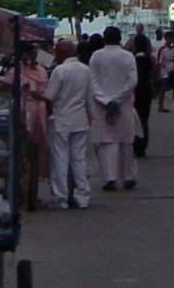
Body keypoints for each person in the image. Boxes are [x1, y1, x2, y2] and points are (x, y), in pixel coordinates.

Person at [42, 39, 92, 209]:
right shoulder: (86, 70)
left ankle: (61, 197)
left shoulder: (60, 71)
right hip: (80, 119)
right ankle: (82, 195)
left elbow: (49, 97)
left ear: (63, 52)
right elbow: (89, 97)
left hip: (61, 119)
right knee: (79, 159)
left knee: (60, 160)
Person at [88, 24, 139, 190]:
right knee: (125, 142)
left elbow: (92, 82)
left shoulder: (96, 56)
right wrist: (118, 99)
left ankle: (110, 179)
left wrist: (106, 100)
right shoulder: (128, 56)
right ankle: (128, 177)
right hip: (123, 105)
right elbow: (132, 81)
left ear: (105, 38)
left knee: (105, 143)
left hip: (102, 106)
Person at [16, 43, 50, 210]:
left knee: (38, 150)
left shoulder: (41, 71)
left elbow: (46, 91)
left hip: (39, 111)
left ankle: (33, 190)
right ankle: (24, 194)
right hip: (24, 111)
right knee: (24, 155)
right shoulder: (15, 71)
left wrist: (36, 94)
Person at [128, 31, 156, 158]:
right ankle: (142, 145)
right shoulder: (149, 58)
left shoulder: (131, 58)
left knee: (133, 118)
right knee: (144, 119)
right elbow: (155, 74)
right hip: (146, 90)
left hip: (134, 90)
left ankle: (134, 143)